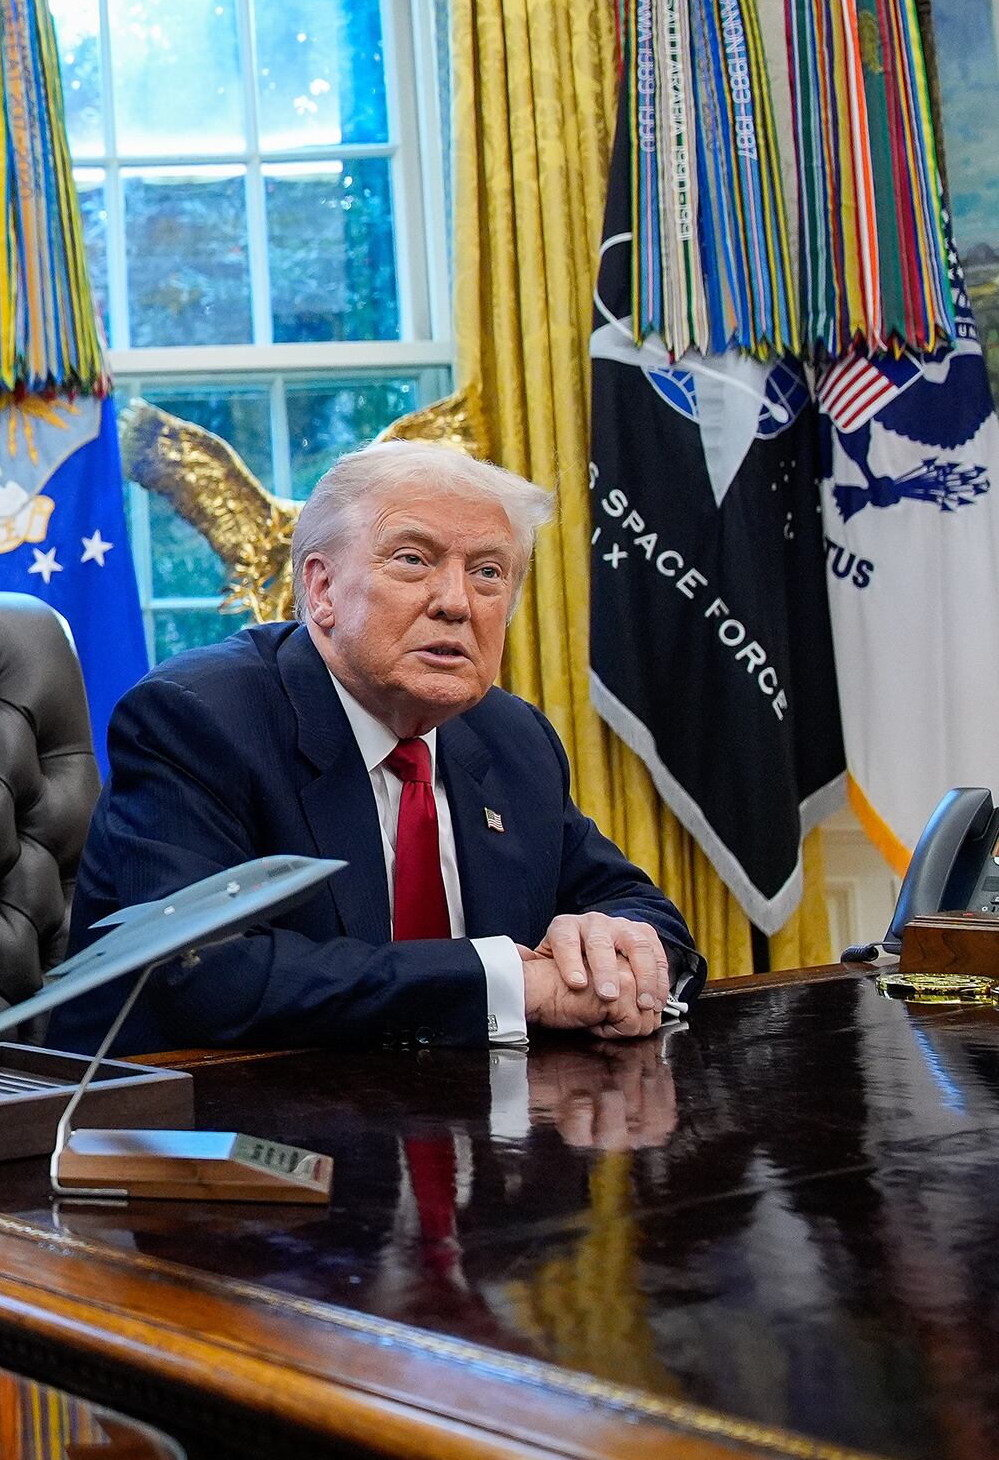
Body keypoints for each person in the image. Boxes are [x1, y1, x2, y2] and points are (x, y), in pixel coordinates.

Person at [58, 440, 701, 1054]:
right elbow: (204, 977)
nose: (456, 603)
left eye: (488, 573)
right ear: (321, 590)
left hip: (464, 1120)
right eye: (413, 560)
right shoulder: (197, 720)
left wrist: (622, 951)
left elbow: (640, 907)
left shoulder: (512, 738)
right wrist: (513, 984)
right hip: (204, 1133)